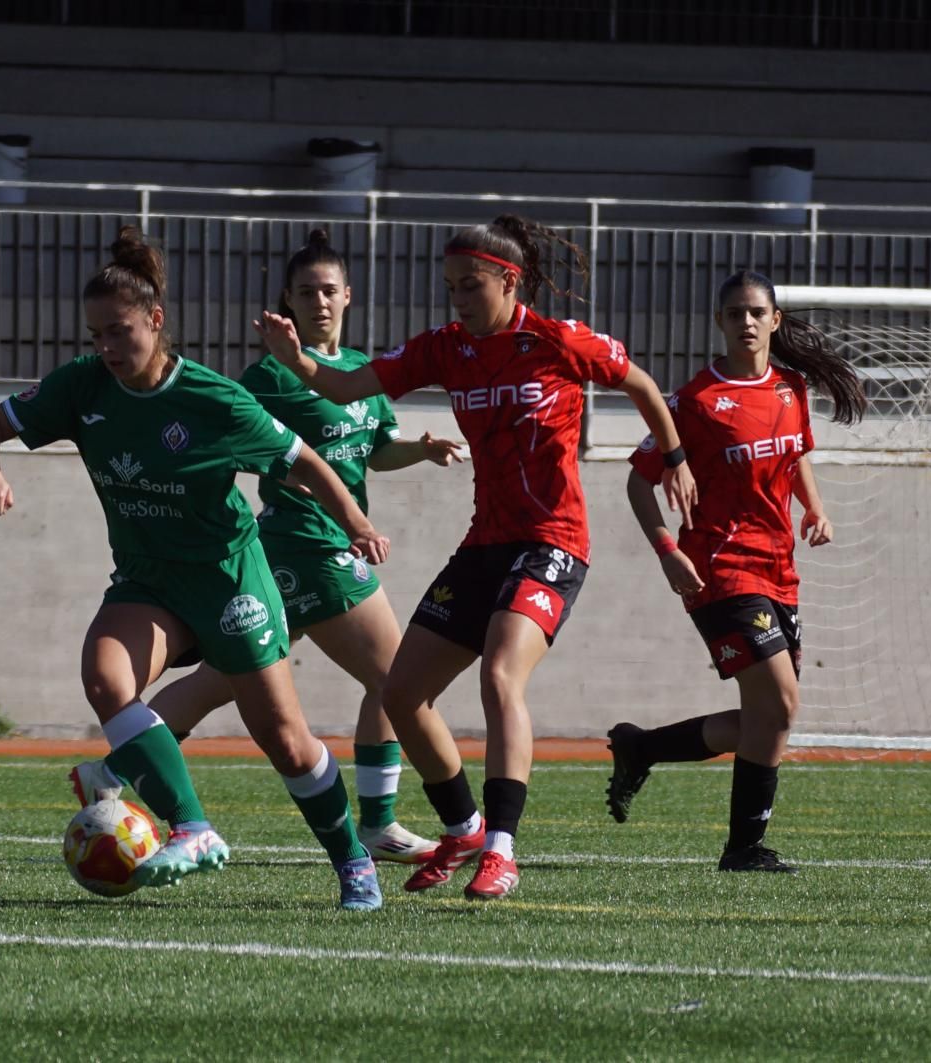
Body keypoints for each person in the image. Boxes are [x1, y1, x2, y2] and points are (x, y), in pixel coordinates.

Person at [254, 214, 696, 900]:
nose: (457, 298)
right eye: (450, 286)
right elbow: (344, 388)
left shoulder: (556, 341)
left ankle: (501, 848)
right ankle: (462, 825)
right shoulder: (445, 348)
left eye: (470, 285)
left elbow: (640, 382)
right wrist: (297, 361)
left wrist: (674, 457)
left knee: (498, 674)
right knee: (401, 691)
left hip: (553, 540)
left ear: (508, 280)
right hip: (485, 541)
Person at [0, 227, 393, 910]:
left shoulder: (212, 399)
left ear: (156, 321)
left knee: (286, 741)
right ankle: (193, 827)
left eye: (119, 331)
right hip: (149, 581)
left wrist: (358, 523)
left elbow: (304, 460)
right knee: (107, 679)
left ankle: (353, 861)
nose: (105, 347)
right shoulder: (82, 388)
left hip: (229, 578)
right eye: (96, 333)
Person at [138, 228, 462, 865]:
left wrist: (418, 451)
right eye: (306, 291)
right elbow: (223, 438)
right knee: (400, 680)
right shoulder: (269, 376)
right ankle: (383, 823)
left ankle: (115, 768)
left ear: (349, 296)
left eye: (329, 290)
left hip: (313, 551)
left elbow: (373, 450)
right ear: (286, 300)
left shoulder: (357, 371)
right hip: (308, 544)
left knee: (229, 674)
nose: (319, 301)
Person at [607, 269, 867, 873]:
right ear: (720, 323)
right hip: (719, 571)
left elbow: (796, 457)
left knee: (764, 720)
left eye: (755, 312)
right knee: (781, 703)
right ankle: (743, 850)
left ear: (775, 321)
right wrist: (667, 550)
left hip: (780, 567)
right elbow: (637, 482)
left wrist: (817, 510)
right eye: (733, 314)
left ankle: (641, 747)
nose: (745, 323)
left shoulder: (791, 389)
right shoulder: (694, 402)